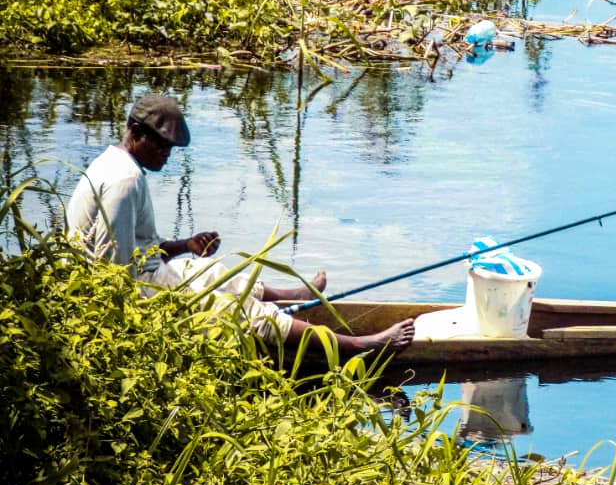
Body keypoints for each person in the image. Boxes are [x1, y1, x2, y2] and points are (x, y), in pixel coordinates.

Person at [66, 93, 414, 356]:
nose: (166, 155)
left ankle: (294, 295)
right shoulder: (125, 182)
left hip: (144, 275)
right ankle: (361, 344)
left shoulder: (115, 164)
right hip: (130, 293)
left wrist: (184, 245)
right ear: (137, 132)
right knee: (242, 311)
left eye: (171, 149)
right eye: (161, 146)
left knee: (204, 270)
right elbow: (112, 270)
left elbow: (135, 247)